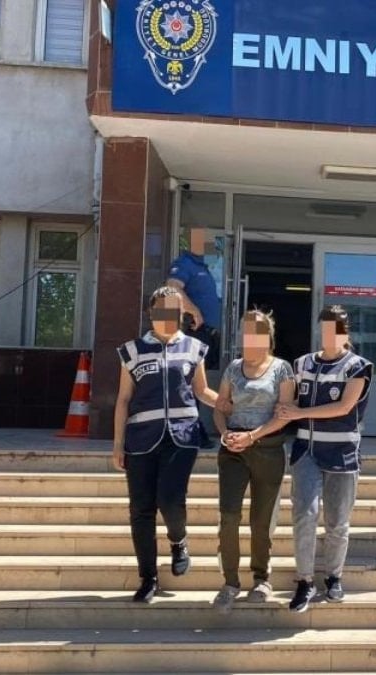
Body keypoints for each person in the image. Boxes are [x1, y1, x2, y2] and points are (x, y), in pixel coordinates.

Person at [113, 286, 219, 603]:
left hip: (182, 437)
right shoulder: (132, 351)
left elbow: (202, 391)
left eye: (174, 311)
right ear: (151, 313)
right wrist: (118, 444)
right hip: (140, 439)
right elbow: (123, 399)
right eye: (162, 310)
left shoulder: (193, 348)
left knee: (171, 500)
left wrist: (232, 405)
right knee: (141, 509)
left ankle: (178, 540)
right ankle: (148, 578)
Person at [276, 305, 373, 612]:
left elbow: (343, 407)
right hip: (307, 451)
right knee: (304, 514)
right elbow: (287, 401)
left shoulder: (357, 366)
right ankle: (304, 580)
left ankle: (334, 577)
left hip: (342, 453)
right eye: (326, 328)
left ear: (346, 332)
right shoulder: (302, 363)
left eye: (338, 329)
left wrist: (299, 413)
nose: (331, 335)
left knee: (337, 522)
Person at [210, 310, 295, 614]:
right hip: (233, 451)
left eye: (257, 332)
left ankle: (261, 578)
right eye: (246, 332)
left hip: (268, 449)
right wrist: (225, 433)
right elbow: (220, 408)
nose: (250, 338)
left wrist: (253, 436)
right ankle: (230, 583)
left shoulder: (282, 369)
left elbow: (284, 414)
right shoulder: (233, 369)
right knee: (229, 516)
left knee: (261, 520)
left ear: (268, 337)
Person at [167, 226, 223, 369]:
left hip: (208, 335)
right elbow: (172, 287)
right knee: (193, 376)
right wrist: (194, 311)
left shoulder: (202, 266)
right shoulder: (184, 263)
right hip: (195, 332)